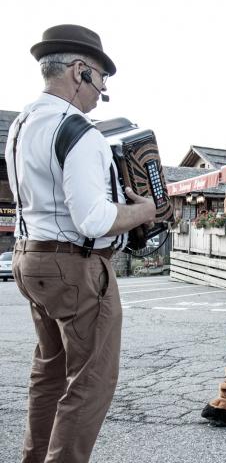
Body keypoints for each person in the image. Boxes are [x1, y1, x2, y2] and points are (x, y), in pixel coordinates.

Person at [5, 24, 156, 463]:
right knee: (90, 380)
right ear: (79, 71)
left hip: (30, 257)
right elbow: (93, 219)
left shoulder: (22, 123)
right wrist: (144, 211)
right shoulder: (80, 131)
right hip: (73, 265)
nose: (103, 89)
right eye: (101, 77)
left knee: (49, 373)